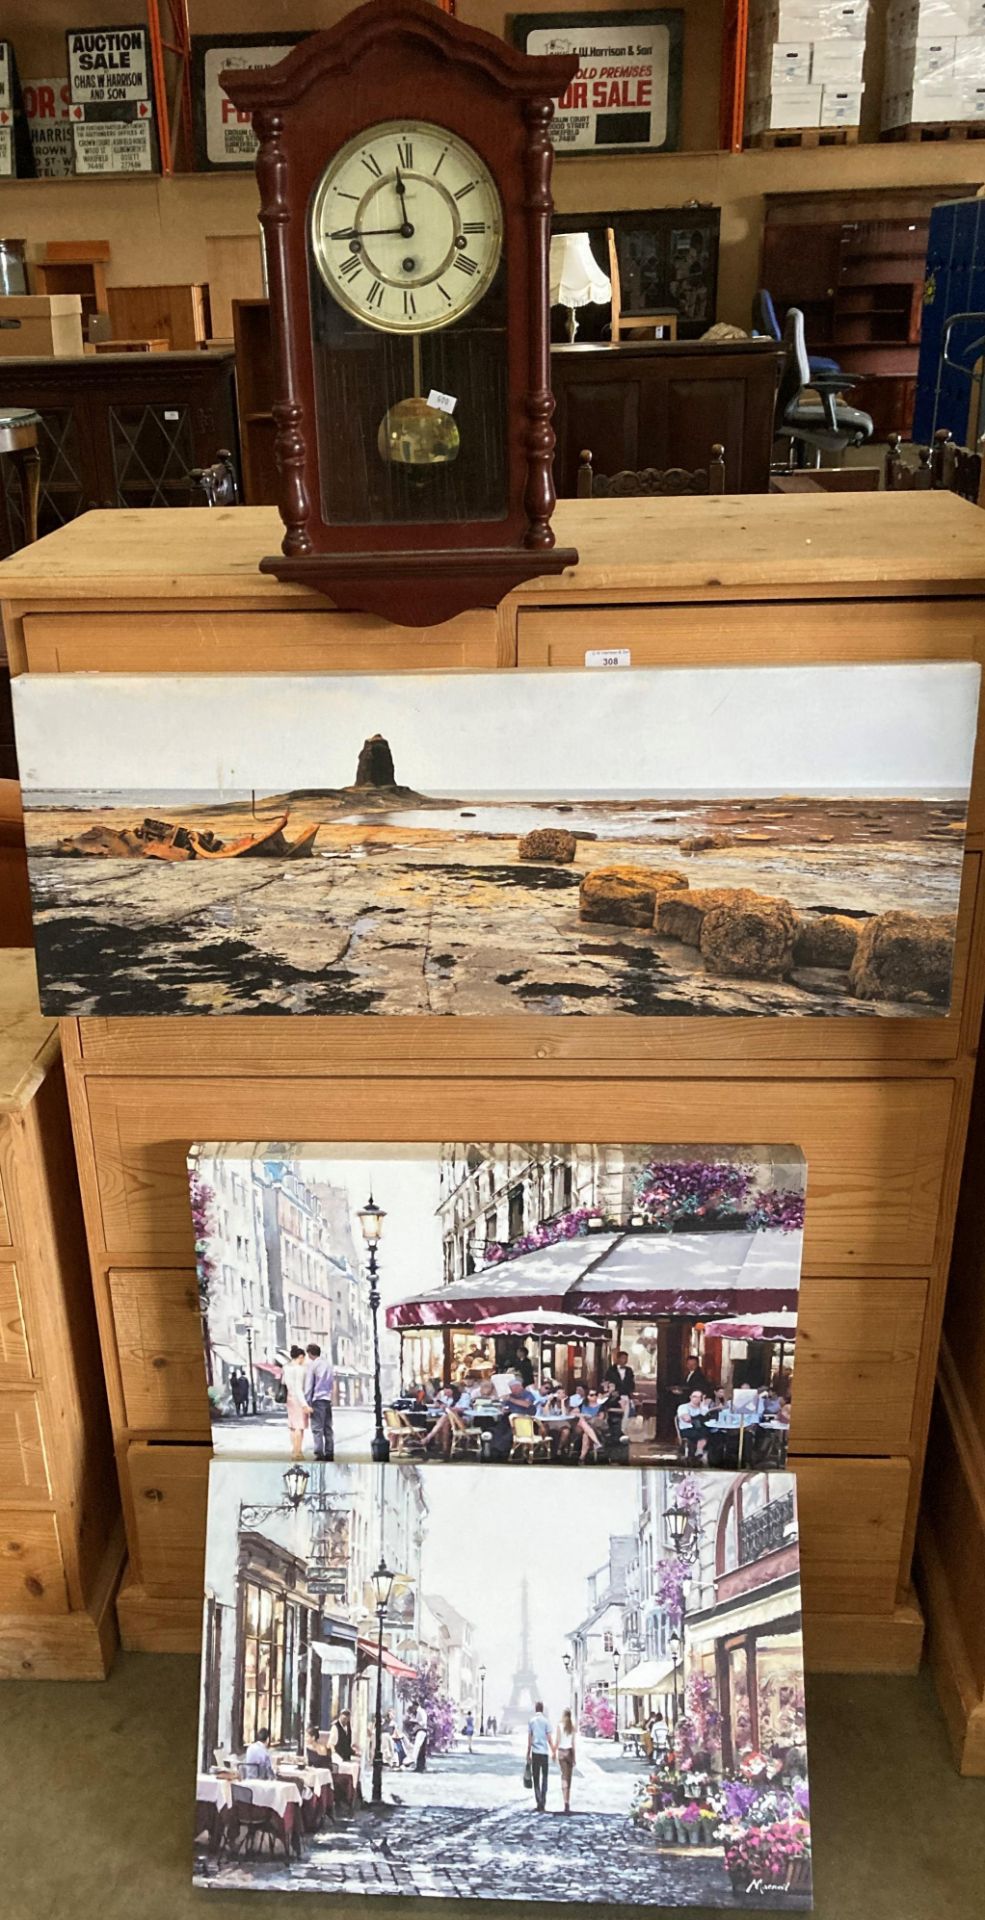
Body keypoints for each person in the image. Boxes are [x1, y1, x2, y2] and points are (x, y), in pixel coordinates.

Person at [305, 1343, 335, 1461]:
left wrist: (307, 1402)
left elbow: (309, 1386)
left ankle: (319, 1453)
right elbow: (331, 1382)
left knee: (317, 1428)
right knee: (328, 1428)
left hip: (317, 1400)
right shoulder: (328, 1364)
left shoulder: (313, 1365)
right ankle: (330, 1452)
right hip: (327, 1399)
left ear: (310, 1353)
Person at [281, 1345, 311, 1459]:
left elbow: (283, 1382)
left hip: (290, 1398)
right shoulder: (300, 1369)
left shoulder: (286, 1367)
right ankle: (298, 1452)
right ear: (300, 1356)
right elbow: (299, 1388)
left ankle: (294, 1449)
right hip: (299, 1398)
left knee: (293, 1426)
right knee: (300, 1427)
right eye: (303, 1358)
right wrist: (304, 1404)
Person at [527, 1699, 552, 1812]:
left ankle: (538, 1801)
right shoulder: (546, 1722)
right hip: (544, 1753)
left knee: (536, 1778)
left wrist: (528, 1753)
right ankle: (544, 1801)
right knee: (545, 1778)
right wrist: (554, 1749)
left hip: (535, 1752)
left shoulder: (531, 1721)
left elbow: (529, 1739)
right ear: (542, 1709)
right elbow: (549, 1738)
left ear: (535, 1709)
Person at [553, 1708, 576, 1812]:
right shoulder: (572, 1727)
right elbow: (573, 1744)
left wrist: (553, 1752)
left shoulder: (559, 1726)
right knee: (569, 1778)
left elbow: (557, 1741)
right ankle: (568, 1801)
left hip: (562, 1752)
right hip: (570, 1752)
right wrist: (574, 1757)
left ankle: (565, 1801)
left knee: (564, 1777)